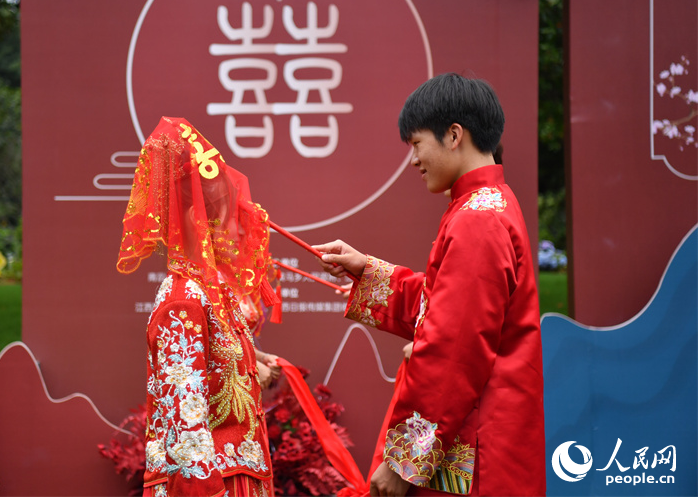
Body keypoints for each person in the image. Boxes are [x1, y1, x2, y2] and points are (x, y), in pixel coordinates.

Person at [314, 74, 545, 496]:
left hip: (477, 446)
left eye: (417, 144)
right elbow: (446, 308)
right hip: (487, 434)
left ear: (454, 135)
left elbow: (453, 349)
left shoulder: (477, 218)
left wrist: (404, 462)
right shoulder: (491, 204)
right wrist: (366, 270)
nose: (414, 160)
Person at [117, 117, 278, 497]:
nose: (239, 228)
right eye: (227, 216)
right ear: (196, 219)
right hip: (212, 485)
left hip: (237, 476)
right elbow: (184, 428)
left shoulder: (209, 291)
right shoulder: (182, 300)